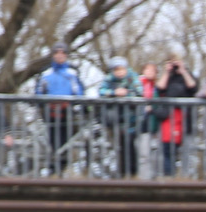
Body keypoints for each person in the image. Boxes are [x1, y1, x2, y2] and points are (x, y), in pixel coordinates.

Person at [34, 43, 85, 174]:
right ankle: (53, 168)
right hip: (50, 110)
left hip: (67, 110)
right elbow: (39, 91)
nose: (60, 56)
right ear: (53, 55)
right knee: (53, 138)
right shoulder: (46, 73)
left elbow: (79, 91)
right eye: (57, 53)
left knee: (66, 140)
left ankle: (63, 167)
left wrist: (74, 102)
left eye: (63, 53)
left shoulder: (72, 72)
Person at [97, 55, 143, 178]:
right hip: (116, 119)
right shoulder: (109, 79)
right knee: (120, 146)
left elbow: (140, 93)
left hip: (133, 119)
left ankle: (133, 172)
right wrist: (114, 93)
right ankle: (123, 172)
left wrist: (126, 94)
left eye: (122, 69)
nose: (120, 72)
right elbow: (101, 91)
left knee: (130, 144)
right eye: (117, 70)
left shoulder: (132, 78)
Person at [155, 56, 198, 176]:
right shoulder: (167, 76)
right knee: (168, 151)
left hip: (186, 120)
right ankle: (169, 177)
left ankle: (186, 178)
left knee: (187, 152)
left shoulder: (187, 75)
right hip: (169, 119)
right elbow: (159, 88)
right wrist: (167, 72)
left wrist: (183, 71)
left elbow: (193, 87)